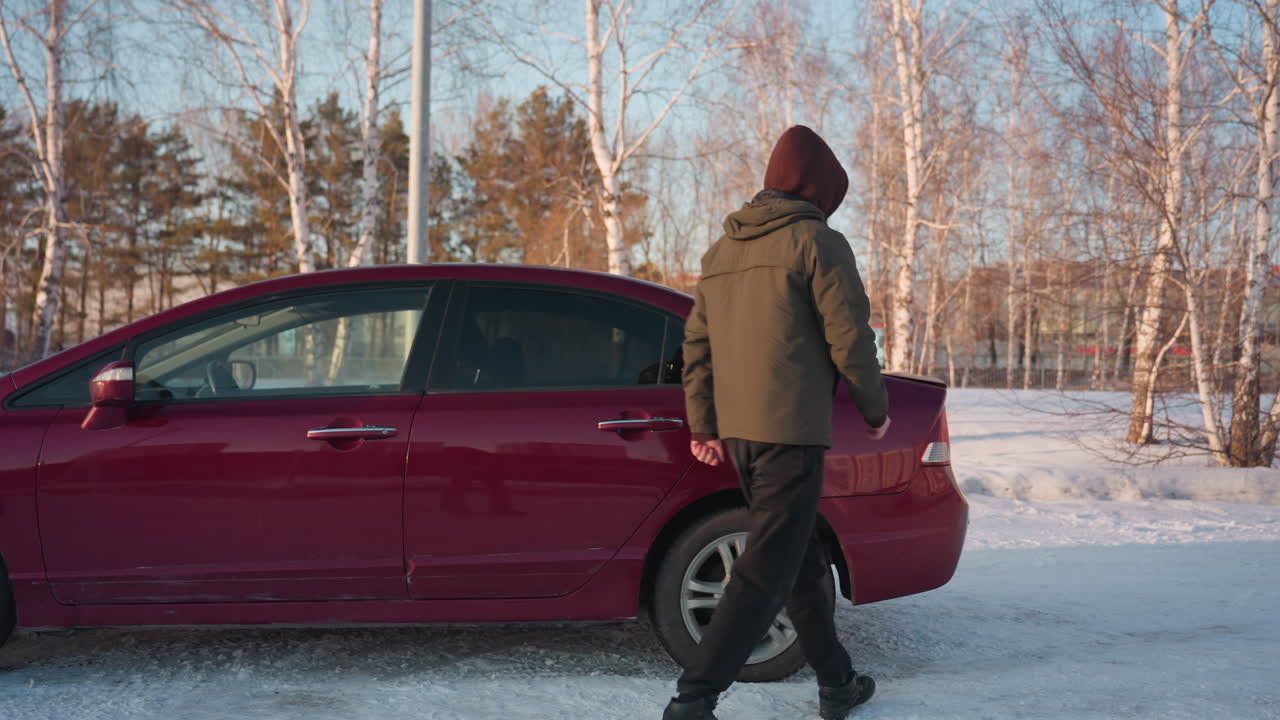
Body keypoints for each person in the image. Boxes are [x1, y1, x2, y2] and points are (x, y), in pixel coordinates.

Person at [664, 125, 891, 720]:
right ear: (818, 188)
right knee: (764, 569)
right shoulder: (817, 242)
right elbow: (850, 337)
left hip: (740, 436)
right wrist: (875, 408)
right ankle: (693, 699)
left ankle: (838, 683)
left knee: (799, 557)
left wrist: (704, 426)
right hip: (790, 433)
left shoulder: (723, 251)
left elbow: (698, 347)